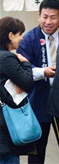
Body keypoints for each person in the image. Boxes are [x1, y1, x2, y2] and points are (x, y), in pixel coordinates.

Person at [17, 0, 59, 164]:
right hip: (38, 103)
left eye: (53, 17)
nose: (48, 21)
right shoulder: (29, 39)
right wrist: (43, 72)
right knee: (36, 152)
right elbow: (21, 70)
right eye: (44, 16)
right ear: (39, 16)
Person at [0, 17, 34, 164]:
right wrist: (25, 63)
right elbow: (27, 82)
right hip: (5, 123)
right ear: (10, 35)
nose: (22, 38)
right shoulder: (6, 58)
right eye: (20, 34)